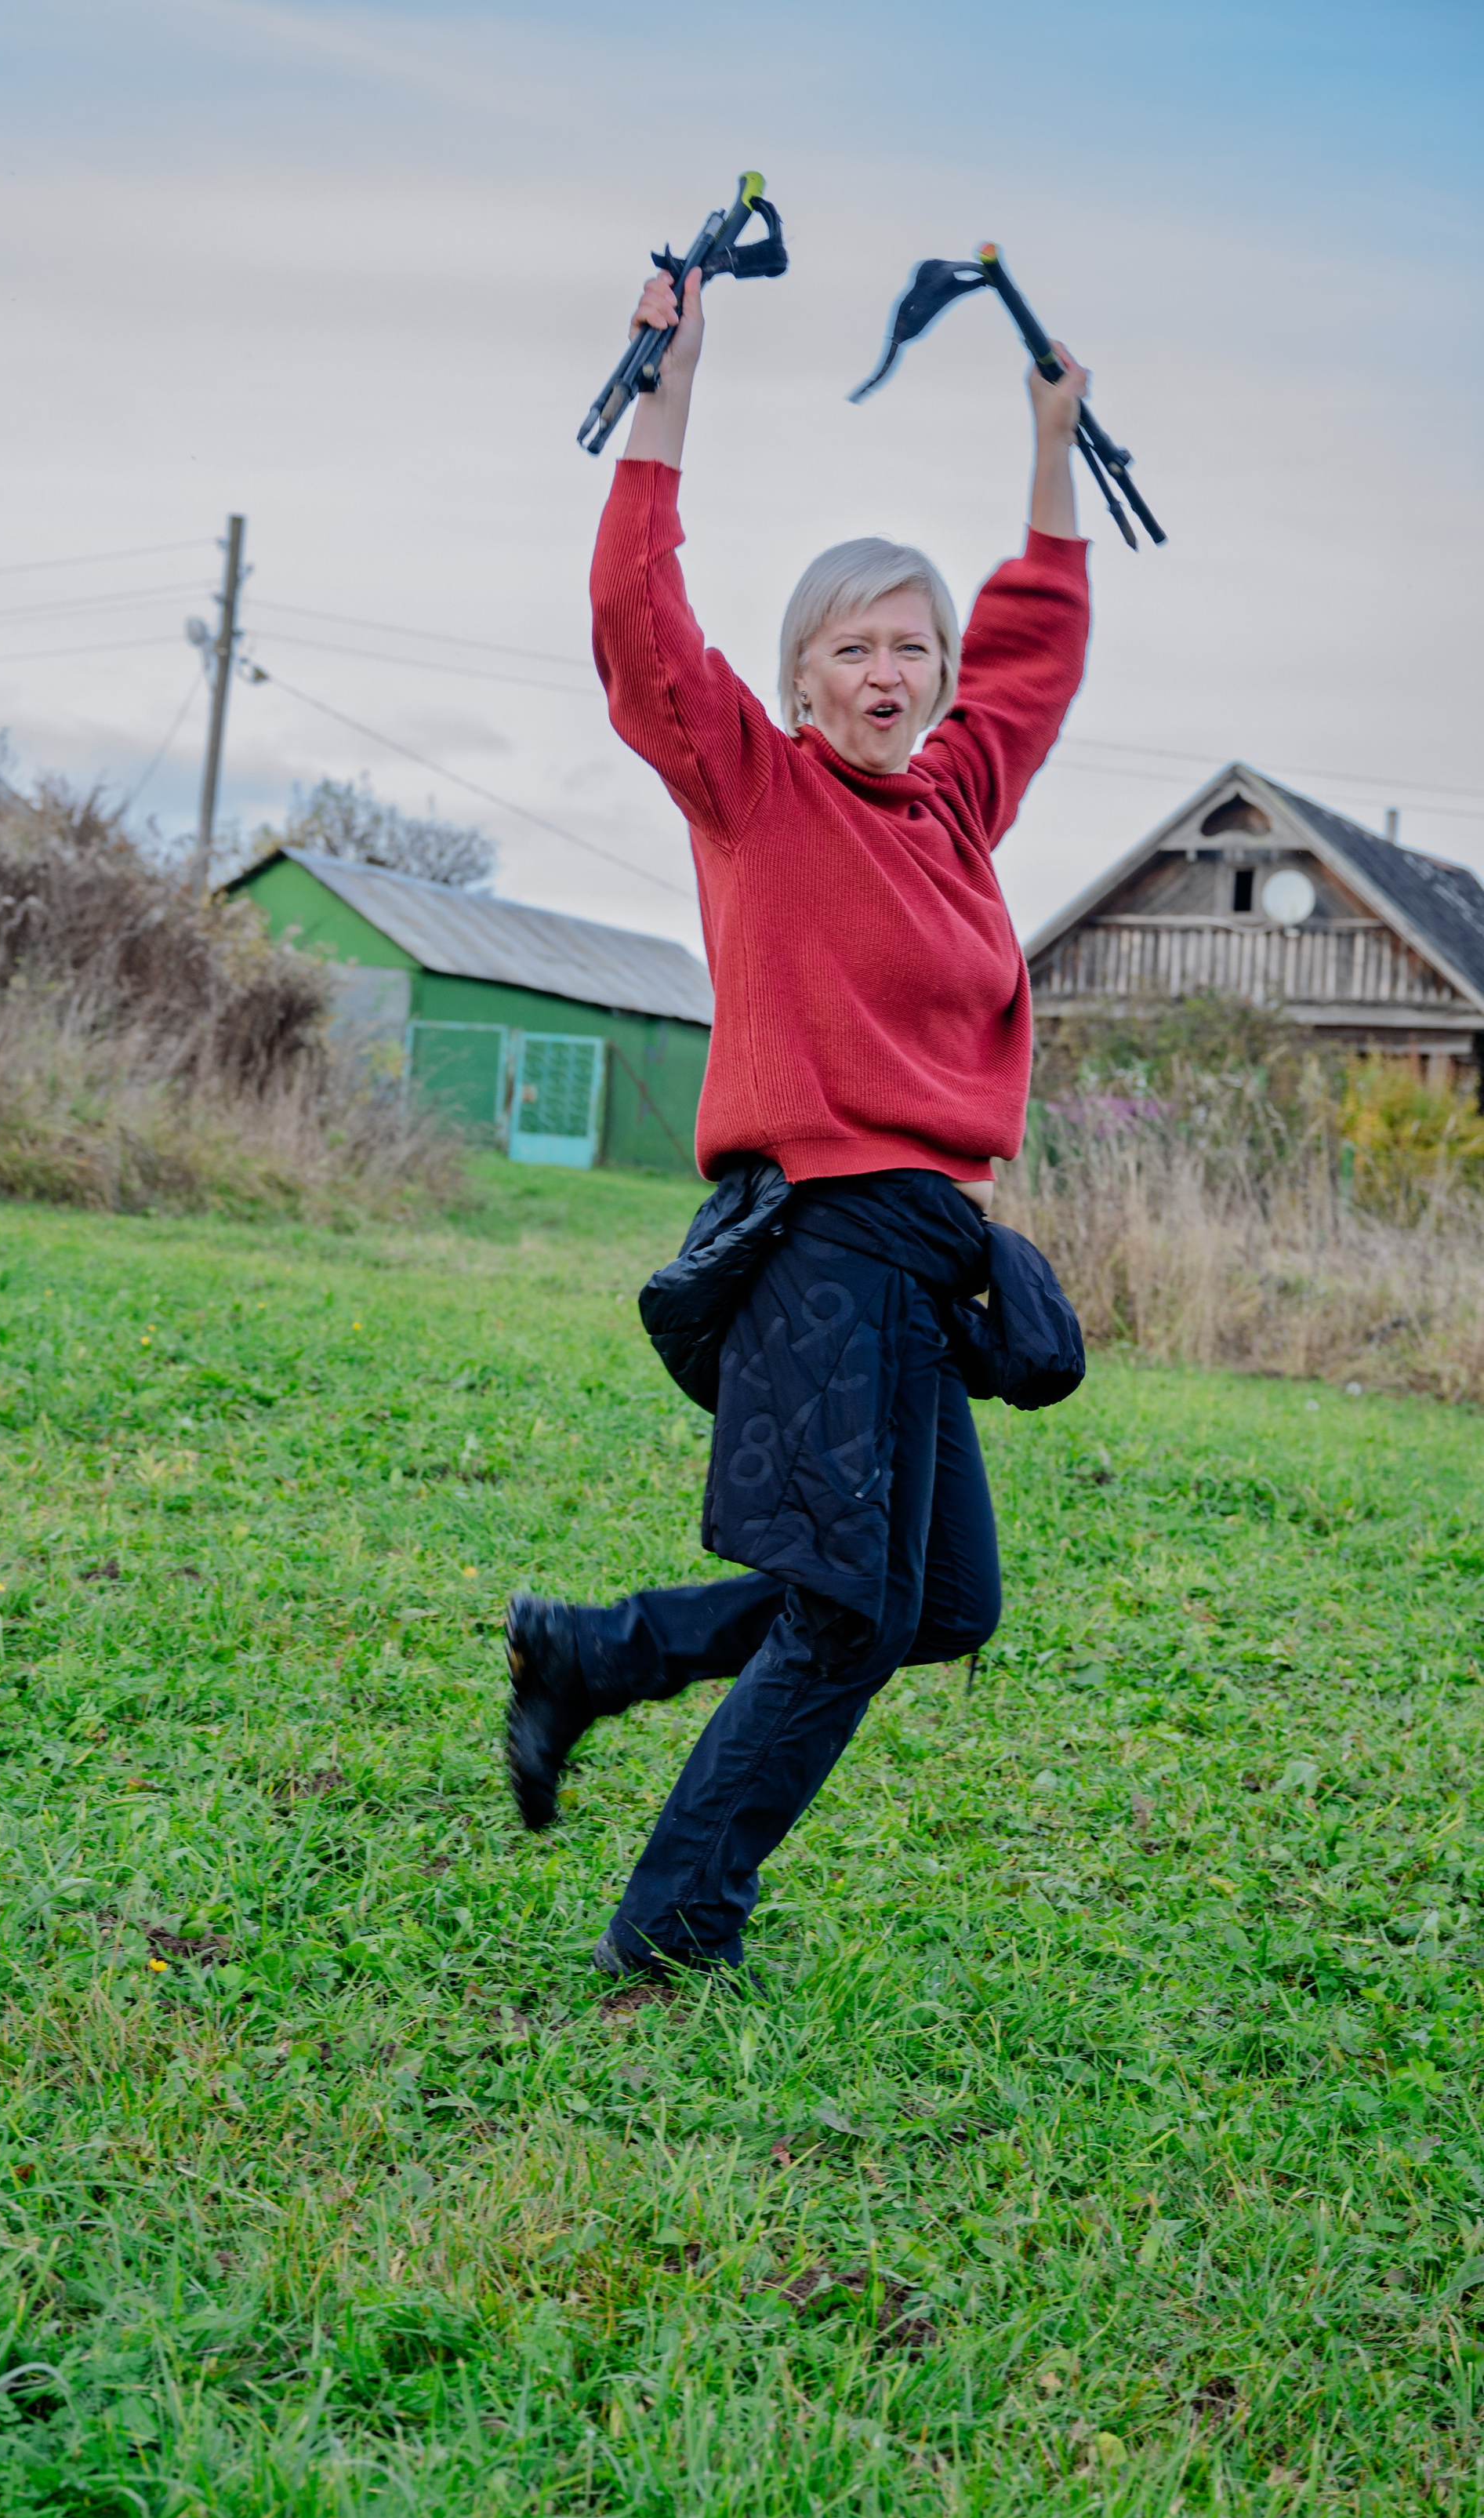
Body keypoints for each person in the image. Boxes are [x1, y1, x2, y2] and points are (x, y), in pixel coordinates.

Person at [506, 254, 1093, 1982]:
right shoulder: (753, 790)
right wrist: (668, 384)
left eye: (914, 644)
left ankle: (602, 1654)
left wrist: (1048, 445)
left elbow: (1039, 657)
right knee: (850, 1613)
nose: (892, 670)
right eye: (856, 646)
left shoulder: (955, 808)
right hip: (818, 1231)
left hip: (930, 1244)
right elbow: (637, 619)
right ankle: (672, 1931)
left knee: (942, 1605)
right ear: (804, 674)